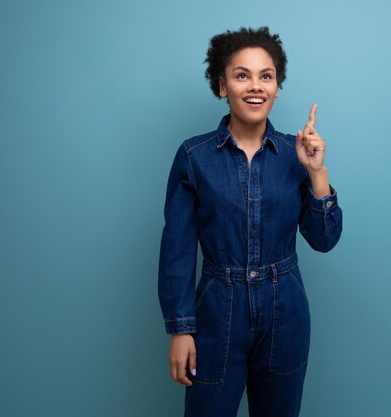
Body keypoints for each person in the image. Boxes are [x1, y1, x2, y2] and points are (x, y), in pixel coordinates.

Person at [158, 26, 343, 417]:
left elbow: (324, 239)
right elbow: (176, 249)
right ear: (222, 85)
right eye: (241, 75)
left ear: (277, 86)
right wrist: (180, 328)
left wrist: (317, 171)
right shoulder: (194, 156)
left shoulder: (296, 156)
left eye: (266, 75)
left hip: (286, 315)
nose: (255, 86)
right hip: (217, 312)